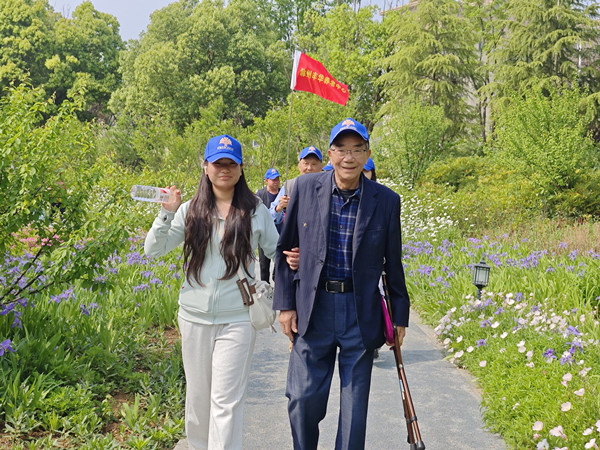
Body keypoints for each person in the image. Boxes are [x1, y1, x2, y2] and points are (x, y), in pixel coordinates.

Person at [273, 118, 411, 450]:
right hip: (313, 307)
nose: (349, 157)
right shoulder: (304, 188)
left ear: (367, 155)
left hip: (358, 312)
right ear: (331, 153)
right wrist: (285, 305)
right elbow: (285, 248)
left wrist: (400, 316)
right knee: (302, 398)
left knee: (354, 409)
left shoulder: (386, 200)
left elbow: (393, 263)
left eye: (357, 150)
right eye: (342, 150)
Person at [144, 135, 279, 450]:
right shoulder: (189, 210)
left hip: (238, 319)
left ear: (241, 168)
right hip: (194, 318)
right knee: (198, 400)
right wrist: (166, 213)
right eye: (218, 163)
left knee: (226, 402)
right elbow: (153, 249)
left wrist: (295, 262)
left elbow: (278, 249)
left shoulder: (255, 210)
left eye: (231, 163)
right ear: (205, 167)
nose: (225, 169)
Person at [269, 146, 323, 227]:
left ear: (321, 167)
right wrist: (279, 208)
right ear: (299, 166)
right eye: (306, 163)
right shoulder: (289, 186)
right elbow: (271, 216)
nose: (309, 168)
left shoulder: (327, 187)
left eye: (314, 164)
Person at [255, 167, 281, 282]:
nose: (276, 182)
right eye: (273, 179)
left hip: (280, 233)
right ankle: (265, 285)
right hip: (264, 234)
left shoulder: (283, 193)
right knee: (264, 265)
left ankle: (277, 284)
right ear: (266, 180)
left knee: (279, 262)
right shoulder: (260, 194)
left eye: (277, 179)